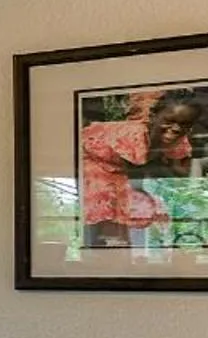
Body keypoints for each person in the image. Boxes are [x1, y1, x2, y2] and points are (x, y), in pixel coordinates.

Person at [78, 94, 200, 247]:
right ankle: (102, 245)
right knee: (108, 205)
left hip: (122, 168)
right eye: (169, 121)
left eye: (185, 124)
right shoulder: (135, 135)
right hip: (94, 159)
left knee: (137, 204)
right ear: (153, 116)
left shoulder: (179, 139)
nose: (176, 128)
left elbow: (179, 171)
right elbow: (136, 176)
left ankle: (117, 243)